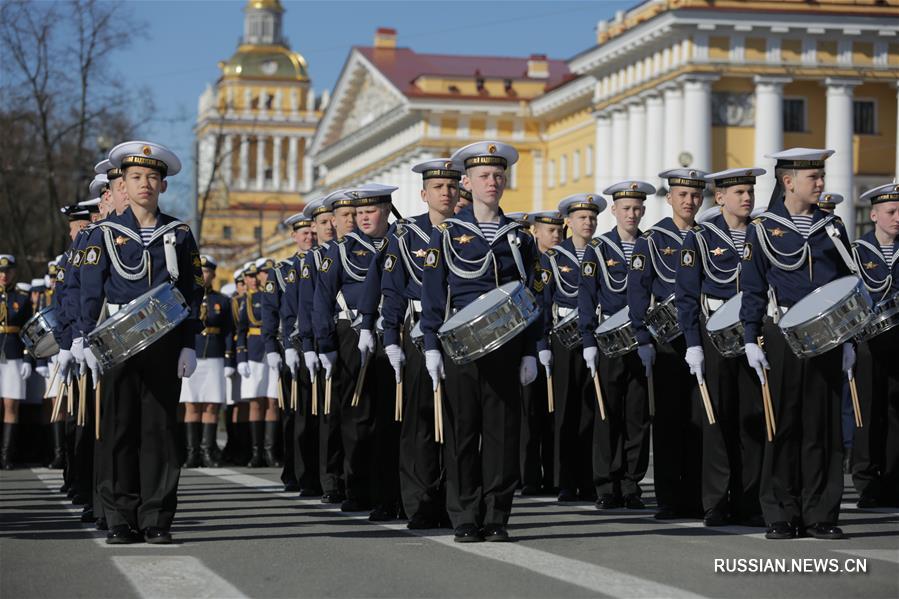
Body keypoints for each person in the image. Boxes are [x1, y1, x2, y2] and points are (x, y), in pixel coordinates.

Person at [80, 140, 202, 544]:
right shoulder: (104, 233)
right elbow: (89, 290)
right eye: (136, 177)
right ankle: (119, 516)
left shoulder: (179, 234)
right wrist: (84, 340)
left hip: (165, 338)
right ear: (123, 185)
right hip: (117, 340)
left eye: (152, 177)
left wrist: (189, 343)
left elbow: (192, 290)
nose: (145, 184)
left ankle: (156, 518)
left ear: (163, 186)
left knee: (161, 430)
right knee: (118, 428)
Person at [421, 141, 539, 543]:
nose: (493, 182)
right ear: (467, 182)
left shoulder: (519, 238)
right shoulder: (449, 235)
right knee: (463, 433)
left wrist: (531, 351)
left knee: (503, 433)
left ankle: (497, 515)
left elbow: (531, 295)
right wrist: (431, 347)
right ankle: (465, 515)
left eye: (499, 175)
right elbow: (434, 293)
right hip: (462, 348)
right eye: (485, 176)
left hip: (507, 346)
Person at [740, 148, 852, 540]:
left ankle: (821, 512)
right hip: (782, 332)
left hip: (827, 334)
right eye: (813, 178)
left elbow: (848, 282)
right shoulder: (763, 228)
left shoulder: (832, 227)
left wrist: (850, 339)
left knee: (821, 425)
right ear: (788, 182)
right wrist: (750, 338)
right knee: (782, 423)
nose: (821, 183)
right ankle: (781, 512)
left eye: (821, 176)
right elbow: (751, 290)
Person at [370, 159, 460, 528]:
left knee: (457, 423)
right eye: (438, 187)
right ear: (424, 194)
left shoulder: (468, 231)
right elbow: (392, 290)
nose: (446, 192)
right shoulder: (405, 236)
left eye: (452, 186)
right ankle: (420, 503)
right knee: (419, 423)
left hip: (460, 333)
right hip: (420, 332)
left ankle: (454, 503)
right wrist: (391, 338)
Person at [675, 168, 766, 527]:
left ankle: (749, 501)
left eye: (750, 192)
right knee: (716, 421)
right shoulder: (699, 238)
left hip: (753, 336)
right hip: (713, 338)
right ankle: (715, 502)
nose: (747, 198)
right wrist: (692, 344)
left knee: (753, 421)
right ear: (721, 198)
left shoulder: (763, 235)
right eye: (739, 192)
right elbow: (686, 296)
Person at [628, 170, 705, 520]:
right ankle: (670, 498)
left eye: (694, 196)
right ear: (670, 198)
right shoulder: (652, 239)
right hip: (667, 341)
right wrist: (642, 337)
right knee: (671, 420)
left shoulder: (706, 236)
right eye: (682, 195)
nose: (689, 202)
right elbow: (638, 291)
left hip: (702, 337)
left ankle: (699, 493)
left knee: (702, 418)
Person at [579, 185, 651, 510]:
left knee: (637, 414)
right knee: (607, 414)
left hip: (639, 338)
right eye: (626, 209)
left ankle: (631, 484)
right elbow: (586, 295)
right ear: (614, 211)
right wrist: (588, 340)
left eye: (636, 209)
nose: (632, 214)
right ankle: (606, 485)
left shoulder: (650, 246)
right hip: (608, 339)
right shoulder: (598, 247)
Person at [851, 182, 899, 508]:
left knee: (896, 412)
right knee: (868, 412)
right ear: (874, 214)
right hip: (867, 342)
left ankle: (895, 480)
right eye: (892, 212)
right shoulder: (856, 252)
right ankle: (867, 483)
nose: (898, 218)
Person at [297, 194, 344, 503]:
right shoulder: (312, 260)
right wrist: (309, 344)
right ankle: (326, 480)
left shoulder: (350, 251)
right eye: (322, 222)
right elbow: (306, 304)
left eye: (332, 221)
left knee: (345, 413)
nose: (328, 227)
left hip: (345, 333)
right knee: (323, 414)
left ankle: (343, 478)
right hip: (320, 338)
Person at [522, 210, 562, 497]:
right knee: (530, 415)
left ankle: (553, 476)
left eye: (559, 230)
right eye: (550, 230)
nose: (556, 235)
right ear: (536, 232)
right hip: (533, 344)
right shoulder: (531, 261)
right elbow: (535, 305)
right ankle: (529, 477)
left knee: (551, 414)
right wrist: (539, 346)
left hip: (555, 343)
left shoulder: (563, 261)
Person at [179, 255, 232, 468]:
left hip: (215, 355)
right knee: (191, 404)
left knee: (211, 405)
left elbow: (229, 331)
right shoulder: (185, 298)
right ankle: (192, 453)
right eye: (200, 270)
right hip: (193, 352)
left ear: (213, 274)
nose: (204, 274)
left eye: (207, 271)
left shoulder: (222, 300)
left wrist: (229, 358)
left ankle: (207, 451)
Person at [0, 255, 34, 469]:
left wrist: (28, 358)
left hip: (13, 355)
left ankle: (6, 456)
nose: (4, 275)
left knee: (10, 404)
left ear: (14, 272)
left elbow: (29, 331)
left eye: (8, 271)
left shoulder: (22, 298)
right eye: (1, 271)